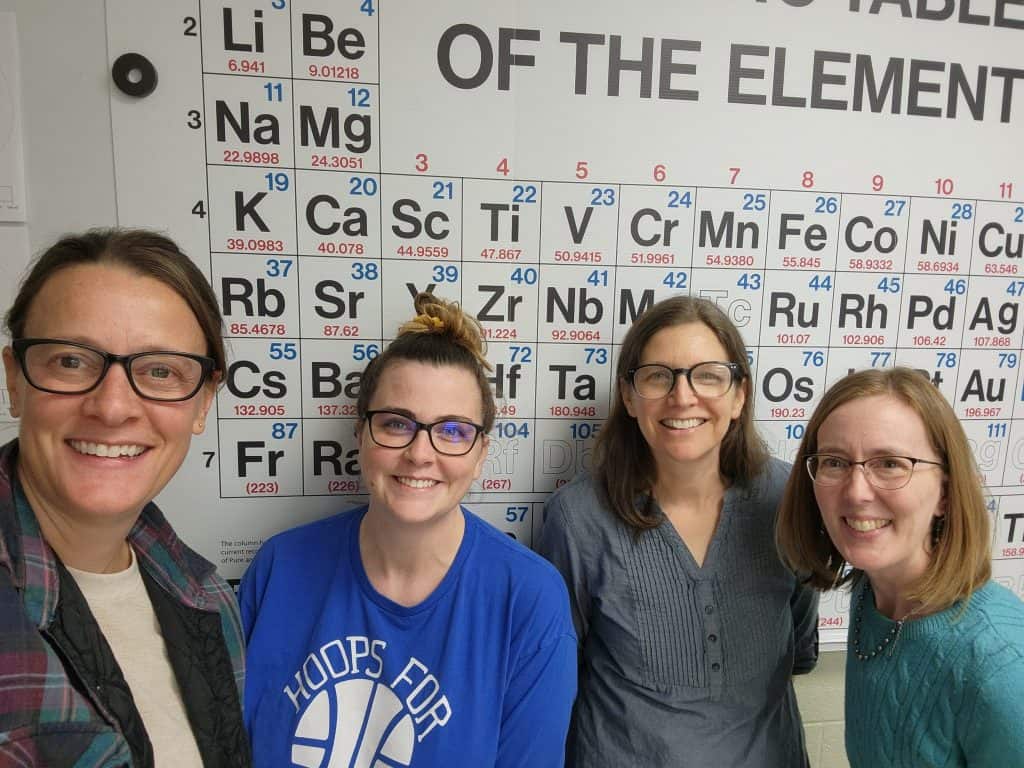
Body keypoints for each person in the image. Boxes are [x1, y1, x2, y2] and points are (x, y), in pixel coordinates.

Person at [240, 293, 576, 768]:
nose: (420, 453)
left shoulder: (529, 598)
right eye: (397, 424)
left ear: (481, 454)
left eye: (453, 431)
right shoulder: (279, 568)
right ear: (360, 435)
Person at [0, 229, 250, 766]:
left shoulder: (207, 598)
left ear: (202, 403)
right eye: (71, 361)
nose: (113, 407)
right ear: (15, 380)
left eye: (159, 371)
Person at [538, 295, 819, 768]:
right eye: (657, 376)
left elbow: (800, 648)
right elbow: (557, 678)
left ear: (740, 394)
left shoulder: (788, 498)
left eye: (707, 374)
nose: (683, 396)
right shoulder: (577, 517)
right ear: (628, 396)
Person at [776, 367, 1024, 767]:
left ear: (945, 492)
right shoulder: (871, 592)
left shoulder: (1000, 665)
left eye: (890, 463)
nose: (856, 492)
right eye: (835, 462)